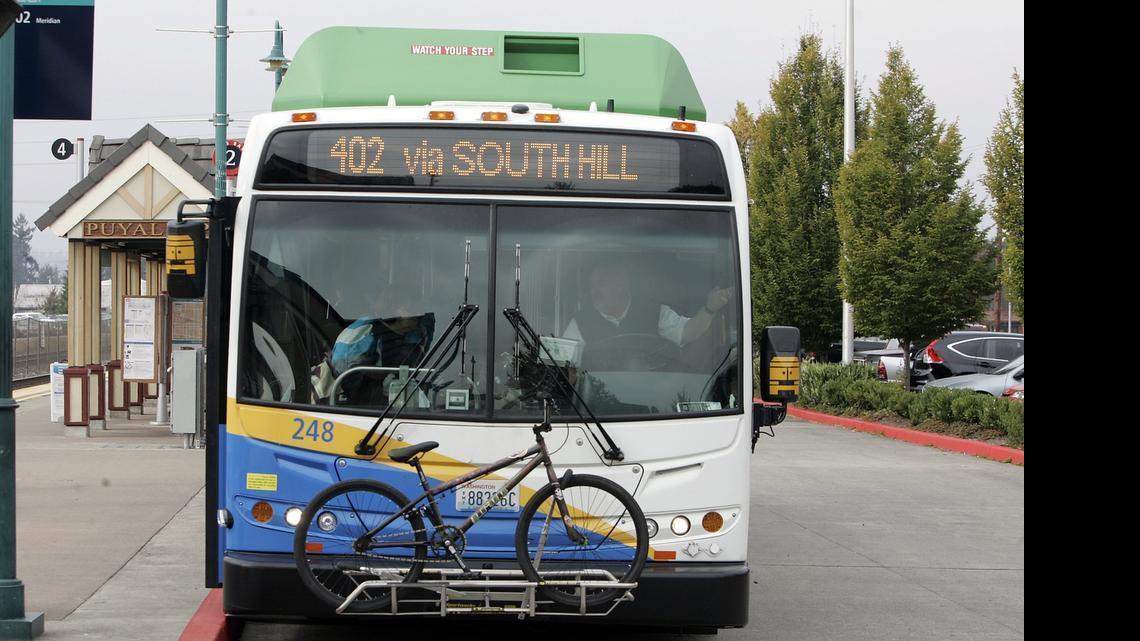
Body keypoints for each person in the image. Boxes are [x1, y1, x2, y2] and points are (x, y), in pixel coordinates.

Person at [562, 260, 731, 349]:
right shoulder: (581, 322)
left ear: (621, 286)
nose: (594, 291)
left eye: (601, 284)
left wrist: (710, 309)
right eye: (592, 285)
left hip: (654, 400)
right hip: (596, 404)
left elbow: (686, 332)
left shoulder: (655, 312)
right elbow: (567, 363)